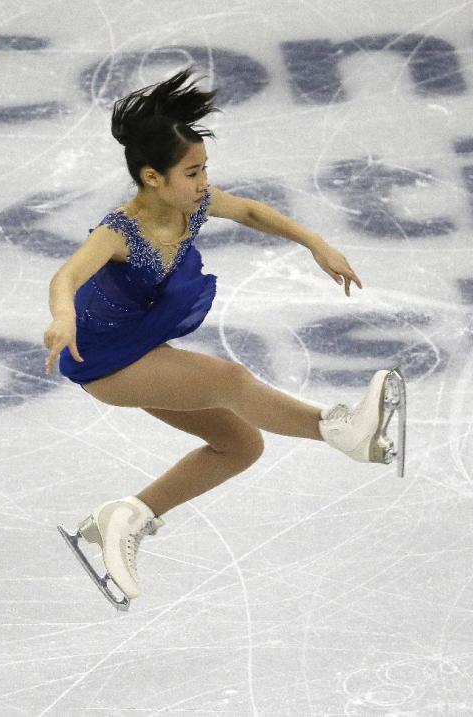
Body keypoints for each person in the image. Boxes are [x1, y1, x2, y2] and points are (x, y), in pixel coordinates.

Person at [45, 68, 404, 610]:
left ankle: (126, 517)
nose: (204, 182)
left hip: (139, 348)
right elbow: (67, 276)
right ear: (152, 177)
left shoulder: (191, 205)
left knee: (240, 444)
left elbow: (253, 212)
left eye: (205, 169)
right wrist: (61, 316)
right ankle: (344, 431)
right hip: (101, 359)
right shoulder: (119, 230)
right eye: (192, 172)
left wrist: (316, 243)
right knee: (230, 380)